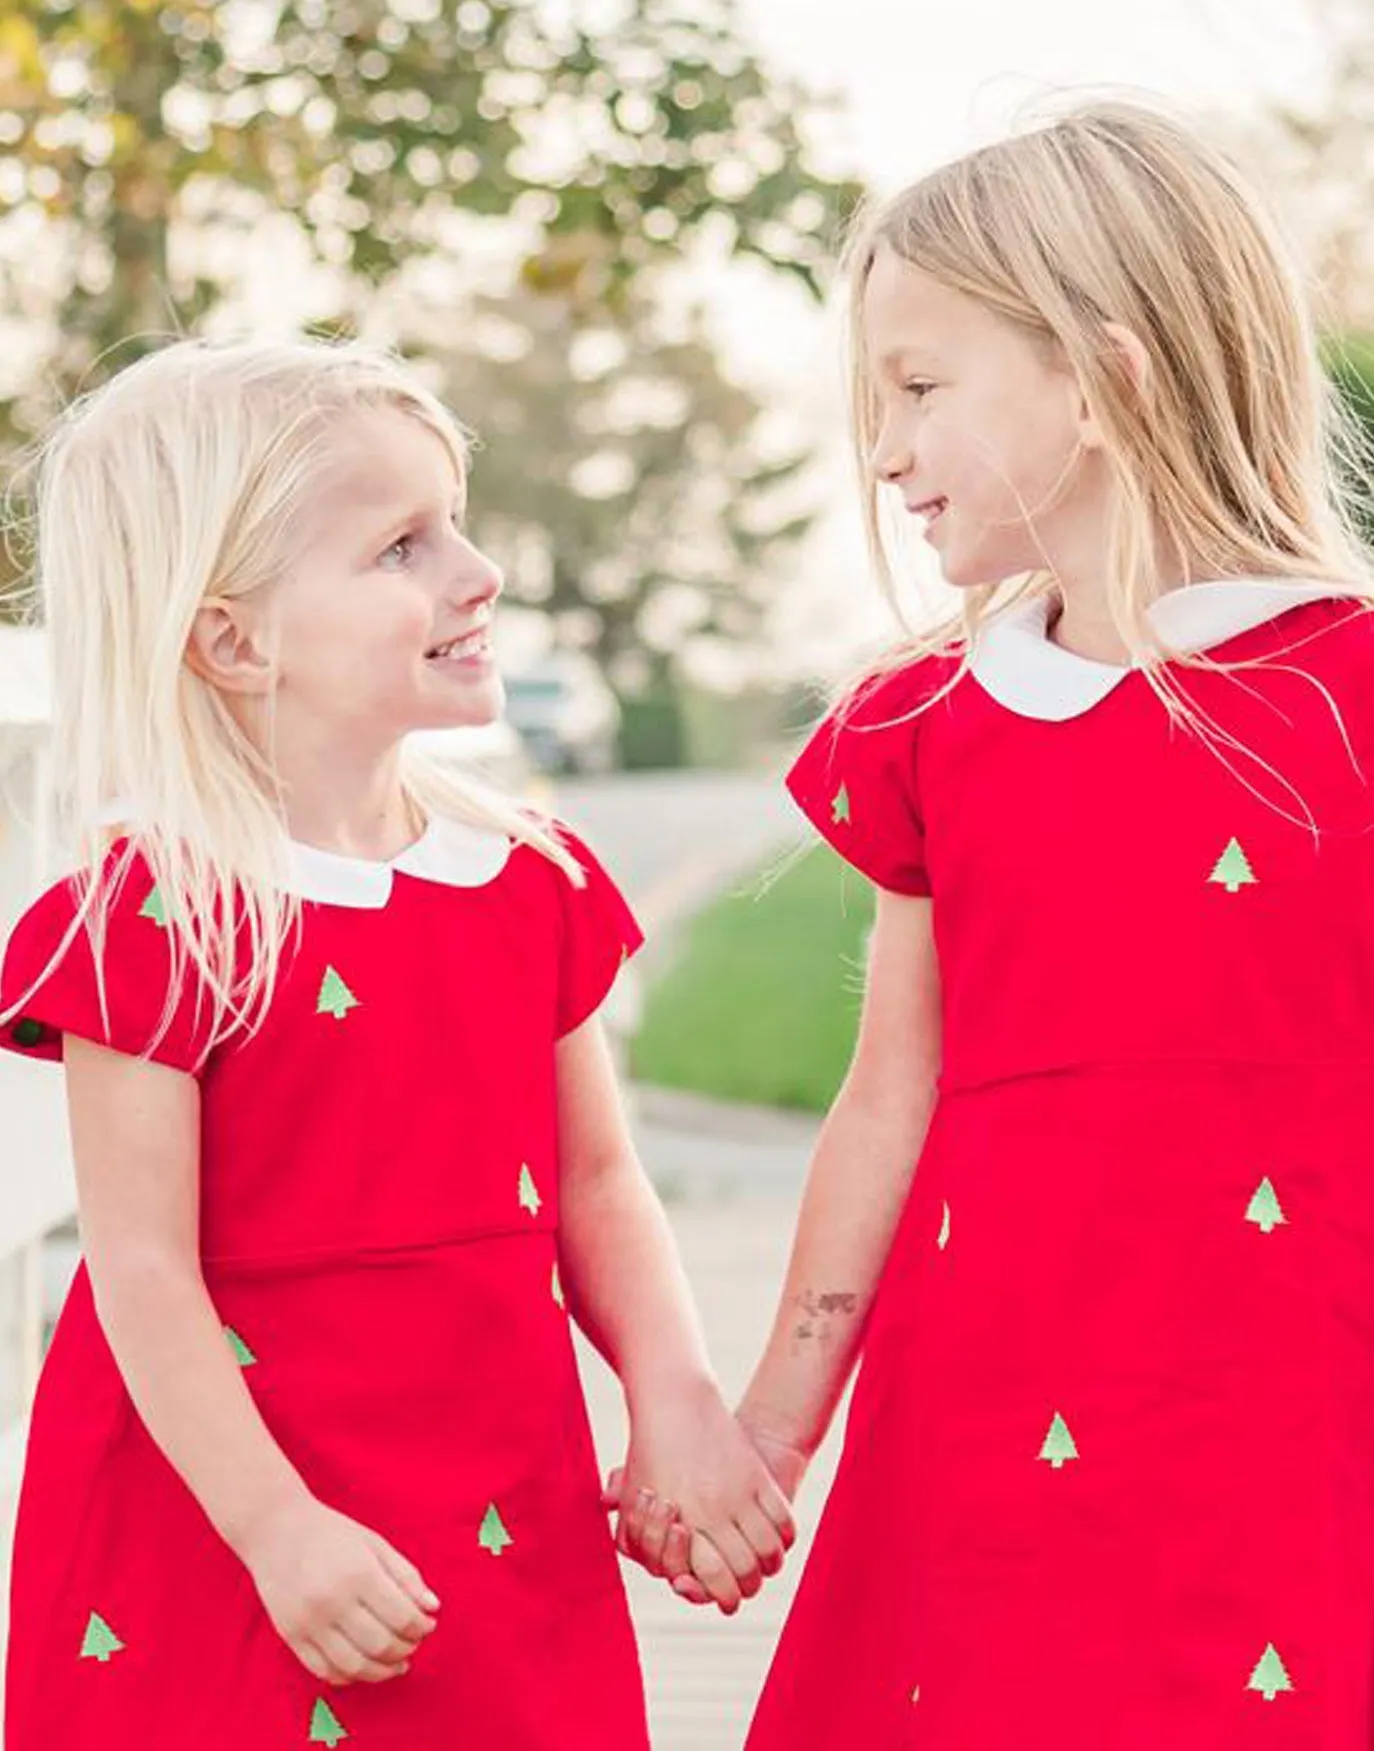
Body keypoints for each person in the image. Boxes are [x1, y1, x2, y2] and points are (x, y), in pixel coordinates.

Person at [629, 100, 1374, 1744]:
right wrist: (770, 1426)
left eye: (915, 388)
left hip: (1298, 1430)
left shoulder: (1356, 694)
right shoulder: (934, 727)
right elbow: (888, 1096)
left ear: (1105, 376)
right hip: (977, 1431)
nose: (883, 452)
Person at [0, 336, 792, 1748]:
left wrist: (671, 1398)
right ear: (235, 636)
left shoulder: (525, 876)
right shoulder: (158, 913)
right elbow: (140, 1271)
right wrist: (277, 1527)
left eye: (458, 523)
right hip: (230, 1513)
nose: (475, 571)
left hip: (498, 1481)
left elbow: (599, 1184)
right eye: (402, 547)